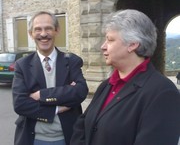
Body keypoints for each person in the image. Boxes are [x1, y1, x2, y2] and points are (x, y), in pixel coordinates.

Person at [70, 9, 180, 145]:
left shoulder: (162, 92)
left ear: (133, 44)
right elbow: (81, 126)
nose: (103, 47)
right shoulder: (106, 85)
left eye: (110, 40)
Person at [12, 11, 88, 145]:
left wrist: (42, 94)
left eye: (48, 28)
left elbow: (80, 91)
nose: (43, 34)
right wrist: (56, 109)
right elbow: (20, 104)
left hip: (67, 138)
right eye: (38, 29)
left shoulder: (72, 62)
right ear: (31, 34)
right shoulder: (22, 65)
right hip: (33, 139)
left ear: (56, 30)